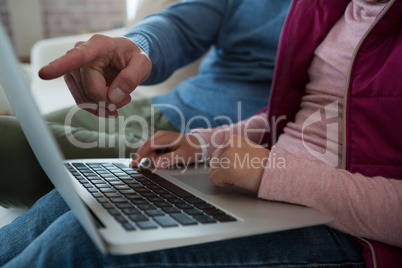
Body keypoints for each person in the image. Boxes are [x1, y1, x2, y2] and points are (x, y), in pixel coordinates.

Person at [1, 0, 401, 267]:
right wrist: (206, 142)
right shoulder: (335, 12)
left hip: (346, 230)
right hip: (260, 180)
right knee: (68, 204)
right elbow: (296, 116)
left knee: (82, 240)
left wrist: (272, 172)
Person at [0, 0, 292, 208]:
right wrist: (138, 46)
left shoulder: (331, 16)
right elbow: (179, 25)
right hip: (160, 107)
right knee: (17, 128)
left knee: (6, 141)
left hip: (198, 142)